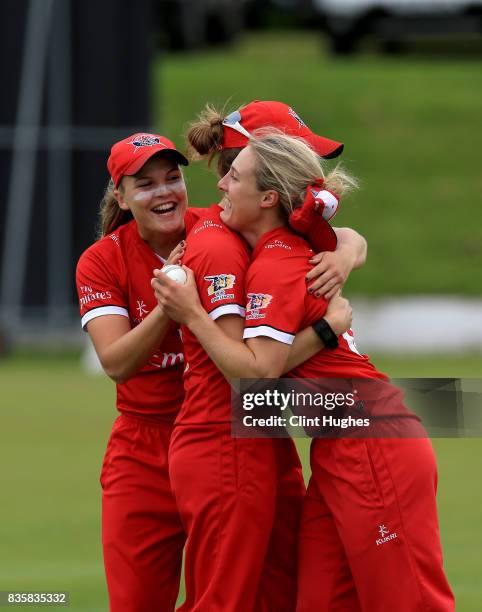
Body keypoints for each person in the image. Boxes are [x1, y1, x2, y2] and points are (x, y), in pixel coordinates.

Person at [153, 130, 455, 612]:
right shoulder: (279, 248)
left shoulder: (274, 263)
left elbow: (254, 376)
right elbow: (349, 239)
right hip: (338, 447)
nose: (221, 185)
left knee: (409, 601)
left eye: (233, 175)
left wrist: (192, 315)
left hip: (369, 441)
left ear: (269, 196)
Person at [76, 120, 366, 611]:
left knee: (266, 590)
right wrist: (173, 304)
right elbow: (116, 363)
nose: (164, 192)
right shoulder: (103, 260)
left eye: (172, 178)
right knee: (138, 599)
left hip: (233, 430)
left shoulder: (216, 224)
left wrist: (345, 256)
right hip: (145, 442)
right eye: (144, 185)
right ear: (121, 199)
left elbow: (331, 231)